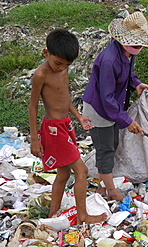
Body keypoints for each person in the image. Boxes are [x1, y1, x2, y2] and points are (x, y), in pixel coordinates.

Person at [29, 29, 107, 224]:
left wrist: (78, 116)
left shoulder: (63, 69)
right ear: (46, 53)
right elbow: (32, 107)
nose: (61, 68)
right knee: (81, 171)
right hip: (53, 129)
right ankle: (83, 216)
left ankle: (52, 214)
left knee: (64, 172)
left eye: (67, 64)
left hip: (65, 124)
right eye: (58, 63)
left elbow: (64, 97)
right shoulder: (41, 74)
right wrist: (34, 139)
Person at [82, 11, 148, 201]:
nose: (138, 47)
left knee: (113, 144)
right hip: (99, 110)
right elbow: (106, 98)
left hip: (113, 108)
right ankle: (111, 191)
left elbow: (129, 74)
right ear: (124, 40)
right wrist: (127, 121)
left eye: (140, 44)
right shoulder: (109, 60)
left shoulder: (127, 53)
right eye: (135, 44)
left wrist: (136, 84)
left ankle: (101, 187)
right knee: (105, 148)